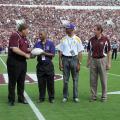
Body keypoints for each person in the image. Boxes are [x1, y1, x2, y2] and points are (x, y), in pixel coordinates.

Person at [58, 23, 84, 103]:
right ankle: (65, 96)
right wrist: (60, 62)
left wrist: (79, 63)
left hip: (74, 59)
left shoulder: (78, 39)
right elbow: (60, 52)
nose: (66, 30)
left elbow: (80, 52)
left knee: (75, 79)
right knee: (65, 80)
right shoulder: (63, 39)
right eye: (65, 28)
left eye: (67, 28)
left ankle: (75, 96)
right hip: (65, 59)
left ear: (72, 29)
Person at [7, 24, 30, 106]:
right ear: (23, 30)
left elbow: (26, 49)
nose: (28, 32)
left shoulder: (25, 38)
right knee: (13, 81)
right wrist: (25, 54)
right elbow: (14, 48)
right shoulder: (15, 35)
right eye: (27, 30)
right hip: (14, 61)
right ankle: (11, 99)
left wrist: (33, 51)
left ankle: (21, 98)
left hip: (22, 62)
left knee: (21, 81)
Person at [87, 24, 111, 102]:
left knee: (103, 79)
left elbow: (109, 51)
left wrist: (108, 63)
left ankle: (104, 96)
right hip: (93, 60)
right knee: (93, 79)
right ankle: (93, 96)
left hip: (102, 60)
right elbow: (89, 51)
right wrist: (88, 60)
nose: (94, 31)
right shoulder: (91, 40)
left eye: (95, 29)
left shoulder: (105, 39)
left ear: (99, 30)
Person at [34, 31, 55, 103]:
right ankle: (41, 98)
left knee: (50, 83)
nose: (39, 35)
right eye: (39, 34)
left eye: (41, 34)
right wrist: (32, 53)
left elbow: (53, 54)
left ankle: (51, 98)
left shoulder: (51, 43)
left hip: (49, 65)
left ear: (45, 35)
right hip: (40, 65)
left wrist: (44, 53)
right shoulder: (37, 44)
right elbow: (33, 54)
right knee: (41, 83)